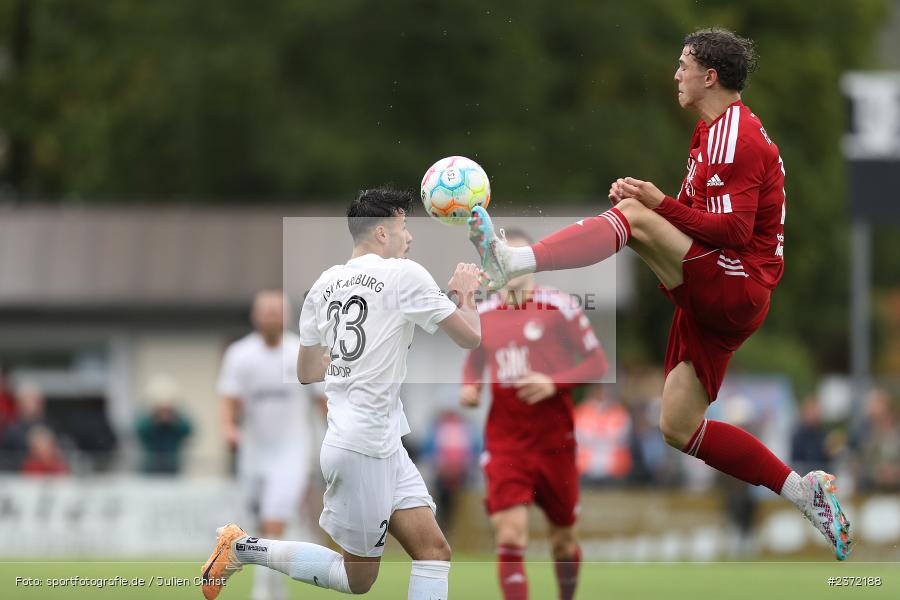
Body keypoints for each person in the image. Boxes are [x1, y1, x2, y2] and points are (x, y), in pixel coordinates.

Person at [467, 28, 852, 560]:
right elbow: (697, 224)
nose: (676, 74)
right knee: (677, 426)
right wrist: (655, 208)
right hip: (722, 288)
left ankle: (514, 261)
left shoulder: (735, 134)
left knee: (633, 217)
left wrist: (655, 205)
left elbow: (735, 231)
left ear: (708, 75)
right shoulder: (709, 133)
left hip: (736, 282)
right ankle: (801, 492)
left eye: (683, 64)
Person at [201, 187, 482, 600]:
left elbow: (305, 371)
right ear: (383, 233)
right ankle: (242, 548)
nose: (410, 238)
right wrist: (467, 294)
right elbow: (471, 337)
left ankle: (242, 548)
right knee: (358, 580)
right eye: (404, 228)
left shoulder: (323, 284)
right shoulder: (406, 274)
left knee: (434, 551)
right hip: (363, 444)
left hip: (378, 441)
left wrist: (361, 357)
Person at [459, 228, 607, 600]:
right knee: (509, 534)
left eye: (521, 259)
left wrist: (554, 382)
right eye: (506, 259)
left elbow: (597, 364)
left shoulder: (560, 307)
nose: (514, 267)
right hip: (507, 443)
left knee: (563, 540)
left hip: (556, 444)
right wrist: (470, 385)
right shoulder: (485, 313)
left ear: (534, 264)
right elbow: (474, 359)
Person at [215, 290, 317, 600]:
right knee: (259, 520)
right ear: (255, 316)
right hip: (255, 450)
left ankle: (264, 589)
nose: (272, 316)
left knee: (275, 517)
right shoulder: (240, 354)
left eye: (278, 311)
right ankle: (274, 584)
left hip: (293, 449)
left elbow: (323, 399)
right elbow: (229, 399)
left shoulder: (302, 350)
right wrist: (229, 427)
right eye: (267, 311)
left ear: (287, 316)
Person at [135, 374, 193, 475]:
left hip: (173, 467)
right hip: (150, 467)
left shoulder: (178, 418)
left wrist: (173, 421)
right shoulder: (146, 418)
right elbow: (138, 431)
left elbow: (188, 430)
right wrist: (155, 421)